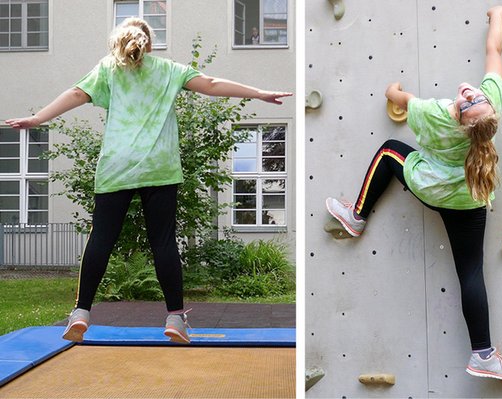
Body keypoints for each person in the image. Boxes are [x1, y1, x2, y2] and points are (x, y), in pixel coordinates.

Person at [6, 18, 292, 344]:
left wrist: (38, 118)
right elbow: (211, 84)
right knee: (164, 242)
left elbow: (75, 93)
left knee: (101, 238)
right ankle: (174, 318)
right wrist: (259, 94)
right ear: (150, 44)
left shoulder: (108, 69)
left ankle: (81, 313)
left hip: (116, 167)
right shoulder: (168, 69)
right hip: (159, 167)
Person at [326, 6, 502, 380]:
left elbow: (400, 99)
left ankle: (356, 217)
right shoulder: (495, 102)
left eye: (467, 101)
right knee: (471, 273)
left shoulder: (434, 113)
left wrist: (393, 90)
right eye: (471, 96)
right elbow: (494, 52)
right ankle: (482, 354)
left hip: (431, 188)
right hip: (469, 198)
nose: (467, 93)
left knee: (388, 149)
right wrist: (497, 15)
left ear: (462, 119)